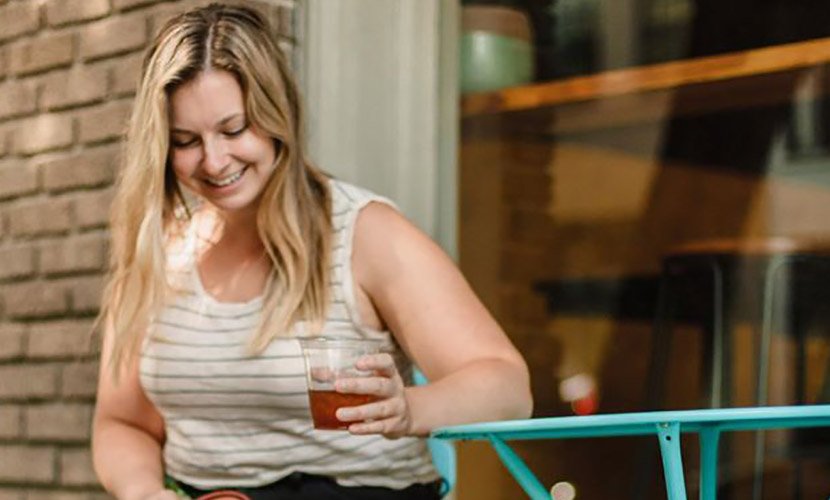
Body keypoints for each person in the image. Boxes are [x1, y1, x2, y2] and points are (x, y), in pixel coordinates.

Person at [90, 4, 533, 500]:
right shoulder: (157, 252)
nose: (214, 161)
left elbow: (507, 389)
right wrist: (144, 492)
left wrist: (409, 408)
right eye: (186, 141)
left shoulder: (366, 235)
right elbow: (122, 423)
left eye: (234, 130)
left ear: (277, 115)